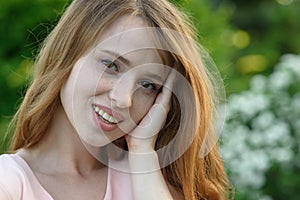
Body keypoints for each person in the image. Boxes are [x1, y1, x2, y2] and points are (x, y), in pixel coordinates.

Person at [0, 0, 231, 199]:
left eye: (148, 85)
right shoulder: (10, 183)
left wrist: (142, 154)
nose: (124, 100)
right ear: (67, 53)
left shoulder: (153, 185)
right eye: (111, 65)